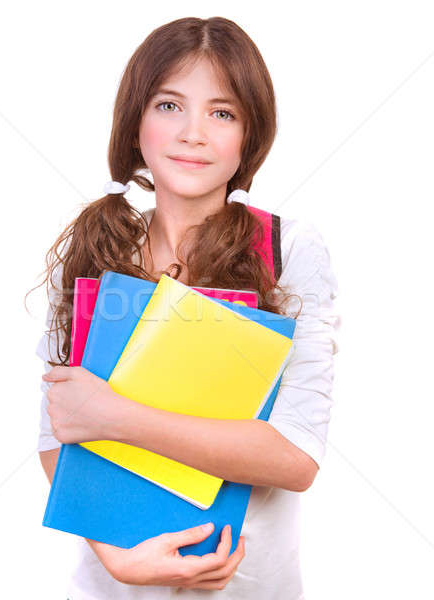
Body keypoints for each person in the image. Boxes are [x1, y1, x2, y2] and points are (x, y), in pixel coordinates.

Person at [29, 16, 341, 600]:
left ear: (249, 135)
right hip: (114, 582)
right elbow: (56, 438)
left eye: (222, 113)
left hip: (247, 582)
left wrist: (112, 416)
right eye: (169, 105)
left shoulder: (288, 249)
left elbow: (295, 457)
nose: (192, 133)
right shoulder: (98, 252)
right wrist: (120, 557)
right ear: (136, 123)